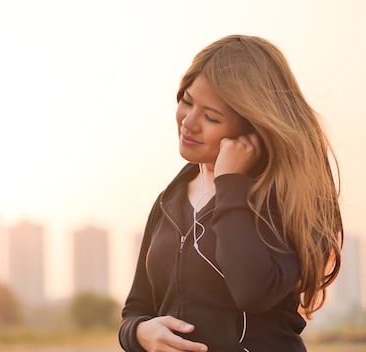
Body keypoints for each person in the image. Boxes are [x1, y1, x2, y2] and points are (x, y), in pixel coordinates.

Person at [118, 34, 343, 352]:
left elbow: (252, 291)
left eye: (211, 117)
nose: (189, 122)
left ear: (252, 126)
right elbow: (137, 307)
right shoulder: (170, 200)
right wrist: (138, 333)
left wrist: (230, 184)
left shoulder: (282, 200)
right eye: (186, 101)